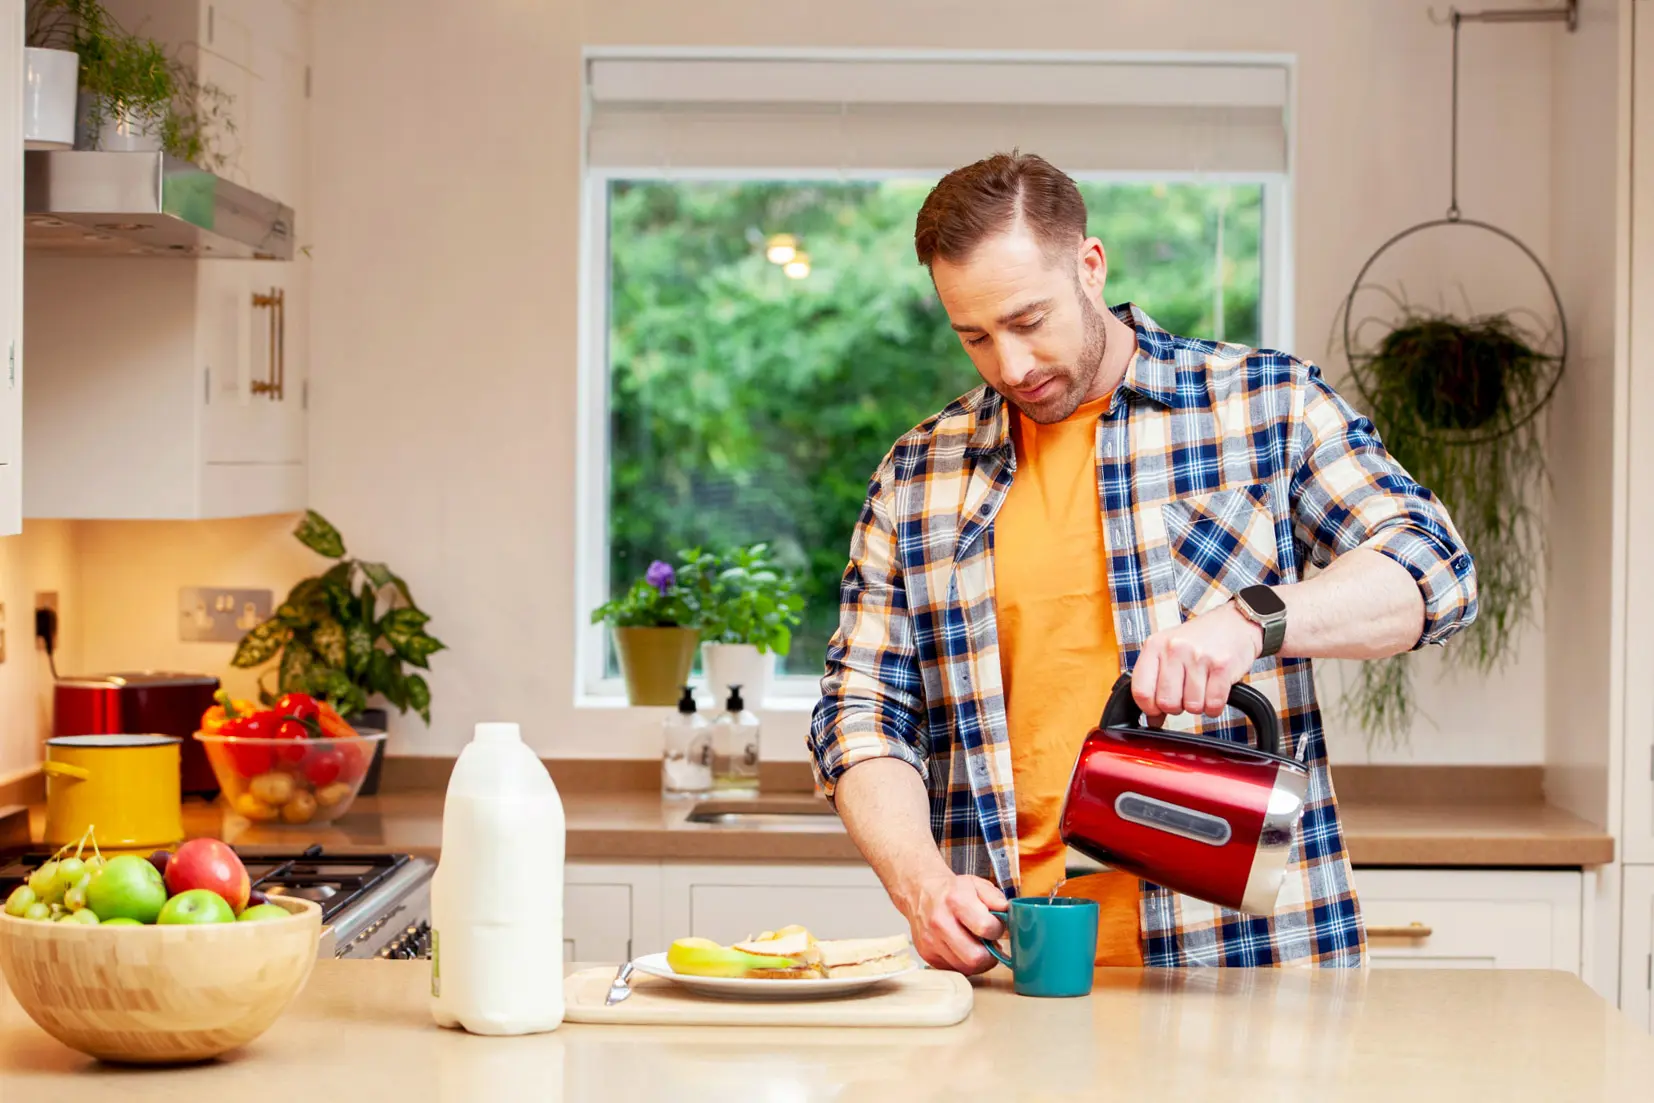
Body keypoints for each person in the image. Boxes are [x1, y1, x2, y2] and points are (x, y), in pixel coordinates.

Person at [808, 152, 1478, 969]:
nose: (1010, 365)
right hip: (1015, 971)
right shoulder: (919, 474)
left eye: (1028, 321)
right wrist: (919, 883)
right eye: (975, 336)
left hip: (1249, 967)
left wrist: (1252, 621)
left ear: (1089, 266)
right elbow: (861, 710)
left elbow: (1432, 568)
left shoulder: (1262, 405)